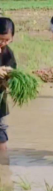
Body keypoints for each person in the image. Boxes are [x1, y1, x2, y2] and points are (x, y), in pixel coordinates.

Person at [0, 18, 17, 152]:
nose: (3, 43)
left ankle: (4, 167)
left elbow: (13, 71)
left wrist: (9, 75)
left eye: (7, 40)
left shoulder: (8, 53)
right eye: (0, 39)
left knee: (1, 130)